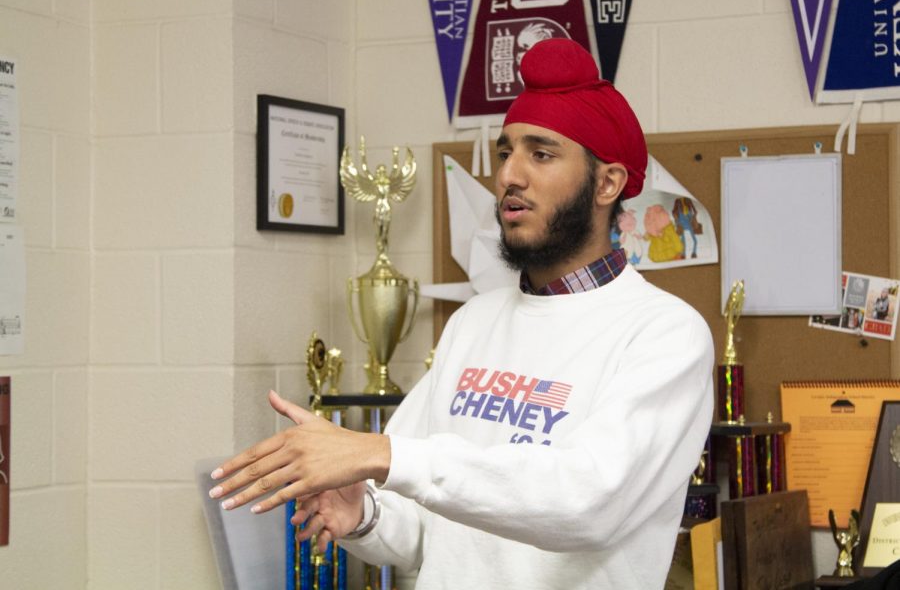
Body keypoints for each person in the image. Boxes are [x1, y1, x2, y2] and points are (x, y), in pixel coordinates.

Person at [208, 38, 714, 589]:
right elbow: (422, 524)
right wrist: (362, 513)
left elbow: (590, 503)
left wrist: (381, 453)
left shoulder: (665, 334)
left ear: (608, 183)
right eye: (505, 153)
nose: (508, 177)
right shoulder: (476, 321)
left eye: (540, 154)